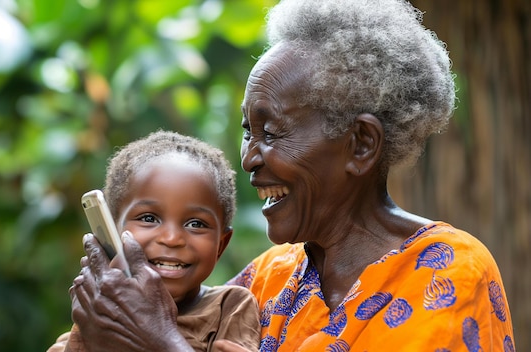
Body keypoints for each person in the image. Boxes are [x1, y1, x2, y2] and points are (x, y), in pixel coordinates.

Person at [63, 0, 516, 351]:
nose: (249, 159)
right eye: (247, 131)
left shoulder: (447, 271)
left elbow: (160, 333)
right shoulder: (267, 279)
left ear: (360, 143)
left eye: (272, 131)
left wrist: (157, 339)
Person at [48, 131, 260, 352]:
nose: (172, 239)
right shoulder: (95, 316)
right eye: (149, 219)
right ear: (112, 230)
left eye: (196, 224)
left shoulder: (230, 307)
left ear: (221, 245)